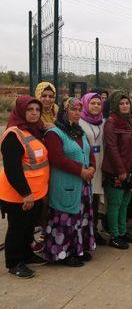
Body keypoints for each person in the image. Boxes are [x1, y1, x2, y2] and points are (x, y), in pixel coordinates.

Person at [42, 98, 96, 267]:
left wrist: (93, 168)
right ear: (64, 112)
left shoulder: (79, 131)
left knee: (80, 219)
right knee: (65, 219)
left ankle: (78, 250)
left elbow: (88, 151)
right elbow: (58, 158)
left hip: (83, 184)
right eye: (73, 109)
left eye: (80, 109)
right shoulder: (54, 133)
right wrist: (81, 171)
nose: (77, 113)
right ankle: (63, 254)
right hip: (65, 183)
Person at [0, 96, 49, 278]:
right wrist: (25, 193)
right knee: (17, 228)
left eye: (37, 110)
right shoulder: (13, 135)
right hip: (18, 194)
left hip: (35, 192)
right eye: (30, 110)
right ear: (21, 111)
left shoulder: (34, 130)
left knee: (28, 227)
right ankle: (14, 263)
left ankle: (27, 255)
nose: (34, 113)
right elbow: (12, 169)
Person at [102, 91, 132, 249]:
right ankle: (115, 235)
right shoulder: (111, 122)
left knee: (125, 203)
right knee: (115, 204)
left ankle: (123, 231)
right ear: (115, 105)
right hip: (116, 171)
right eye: (121, 103)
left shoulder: (129, 121)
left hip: (130, 169)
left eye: (126, 103)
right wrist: (121, 171)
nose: (125, 106)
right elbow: (112, 148)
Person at [78, 92, 108, 246]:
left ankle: (94, 232)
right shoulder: (79, 122)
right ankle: (83, 236)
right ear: (85, 104)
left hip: (101, 166)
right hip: (86, 167)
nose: (96, 106)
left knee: (96, 201)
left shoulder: (104, 122)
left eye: (98, 103)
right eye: (93, 103)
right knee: (85, 203)